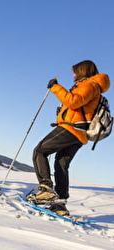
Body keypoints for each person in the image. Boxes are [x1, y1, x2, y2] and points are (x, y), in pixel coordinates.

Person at [29, 60, 110, 216]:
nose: (73, 75)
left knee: (40, 151)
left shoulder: (90, 85)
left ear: (82, 71)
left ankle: (46, 189)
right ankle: (60, 204)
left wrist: (55, 87)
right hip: (80, 134)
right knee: (61, 165)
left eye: (75, 71)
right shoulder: (92, 87)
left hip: (71, 128)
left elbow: (73, 102)